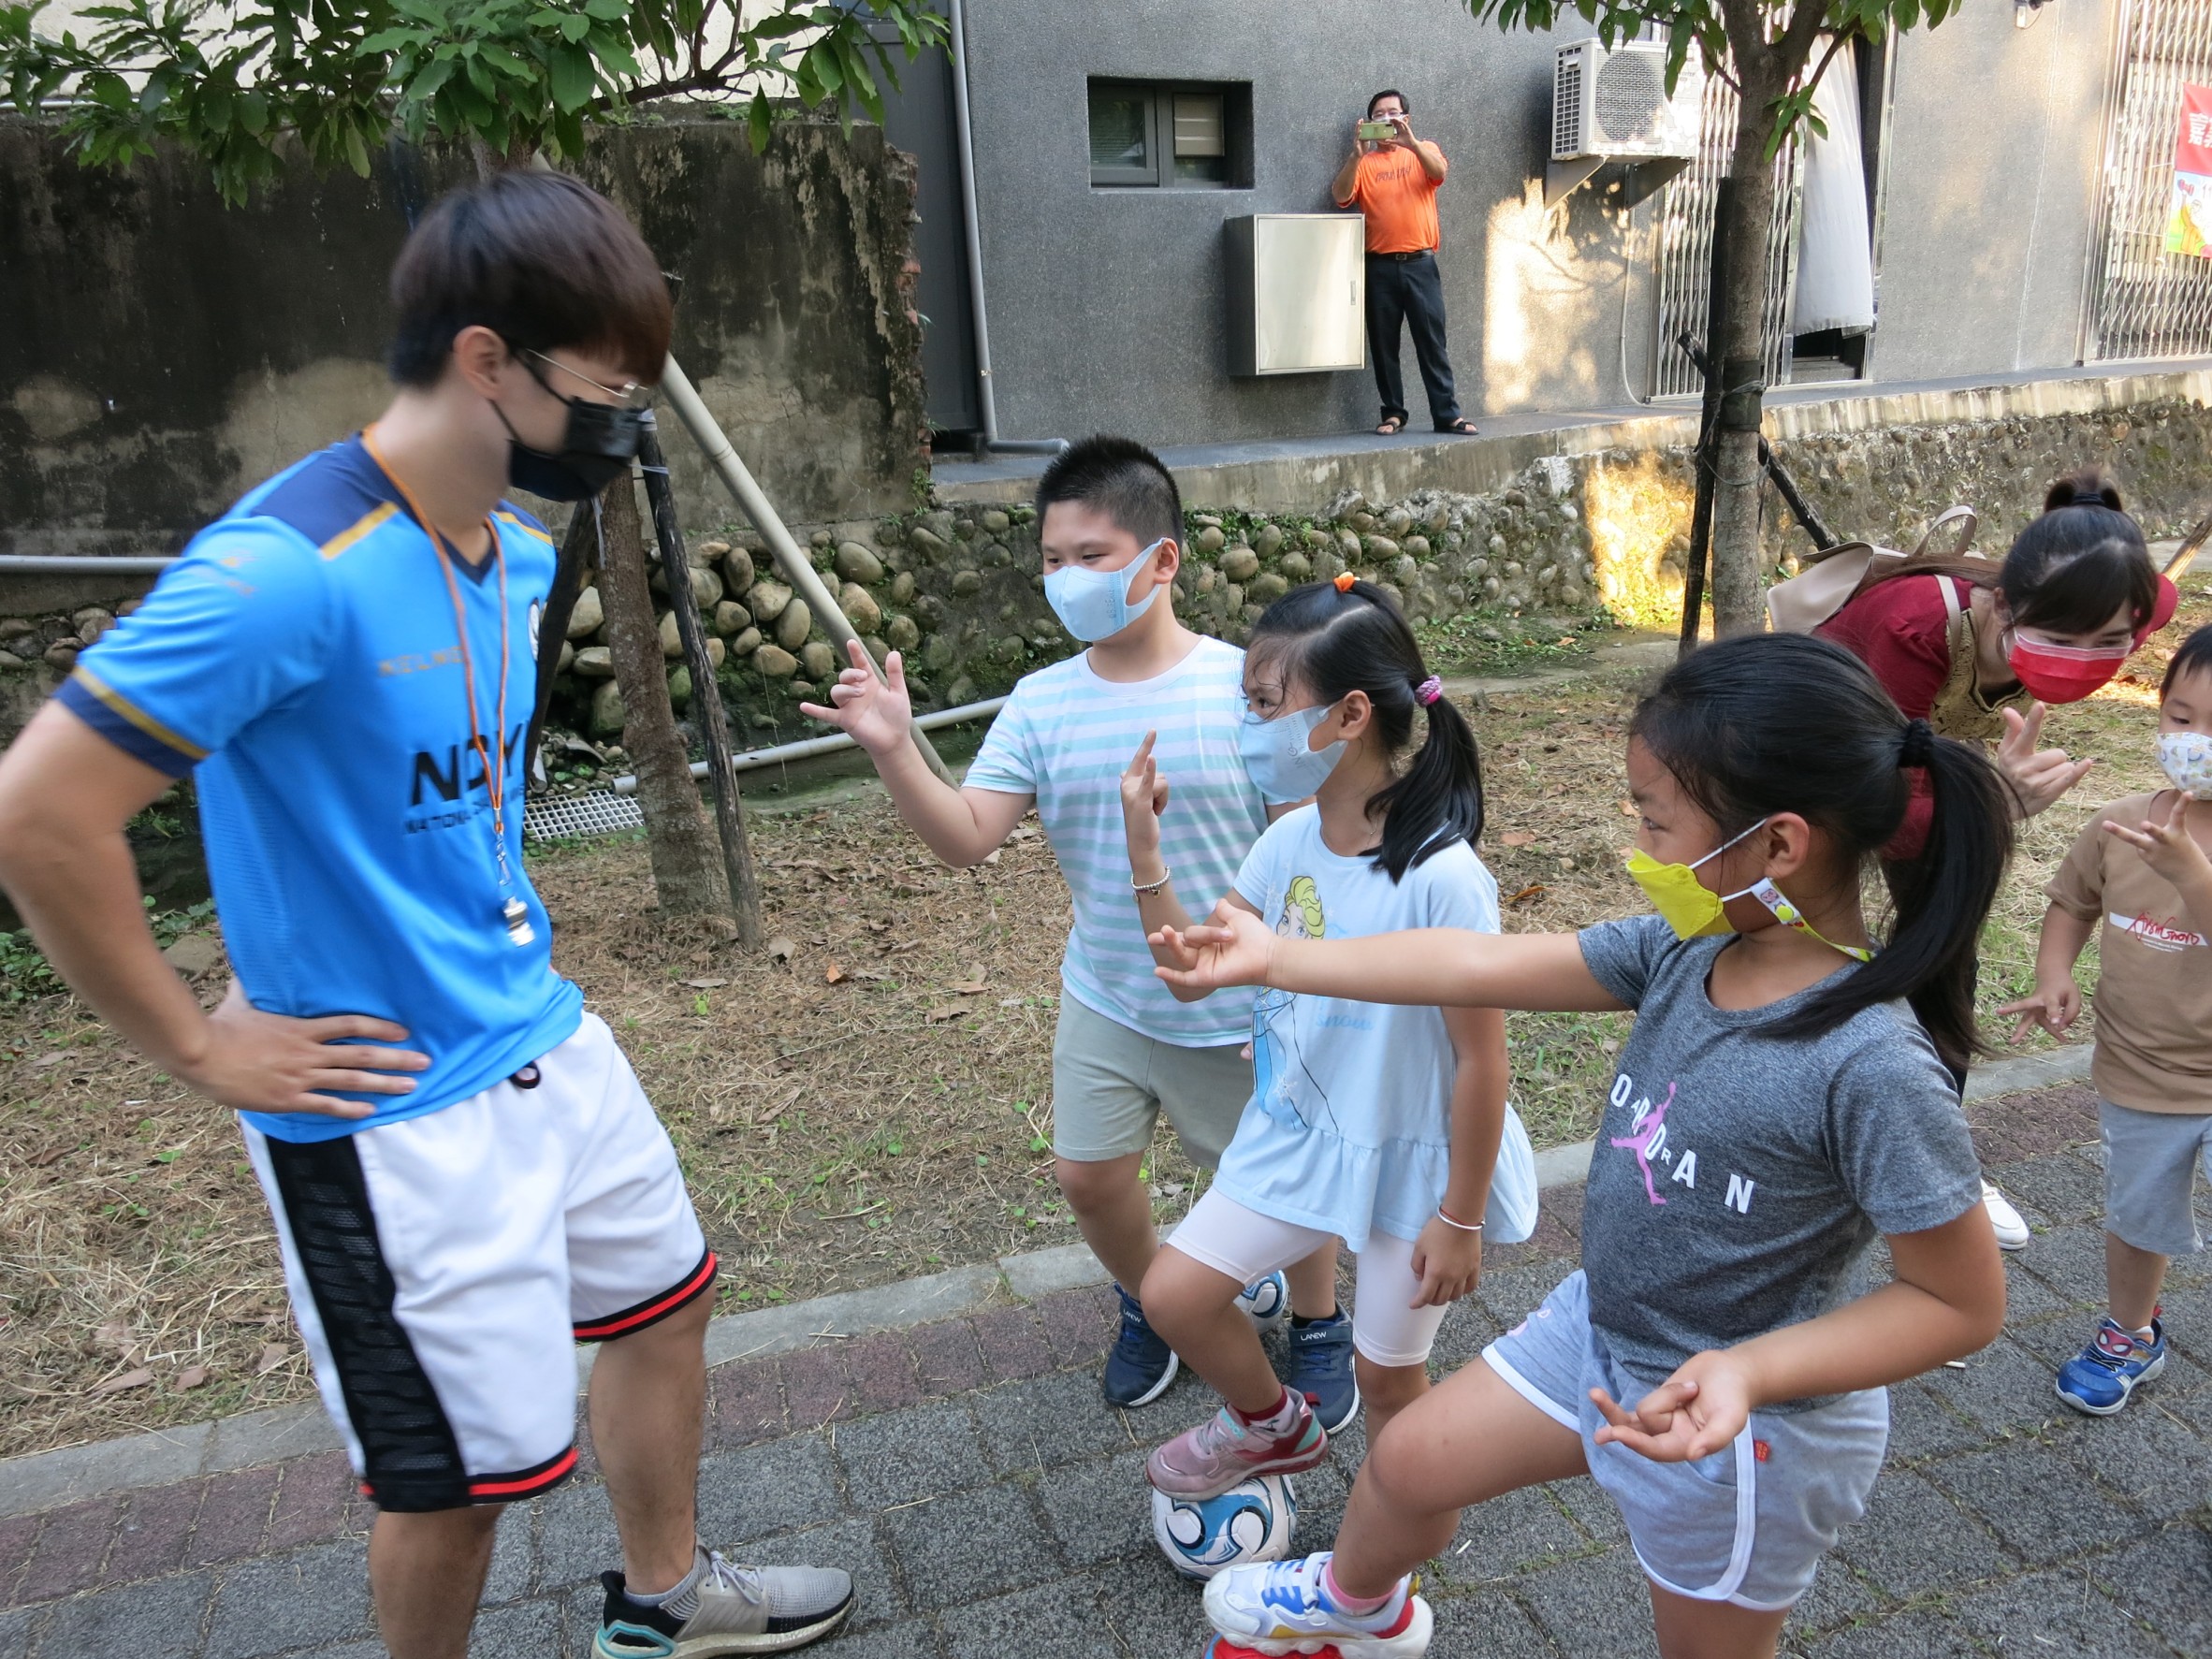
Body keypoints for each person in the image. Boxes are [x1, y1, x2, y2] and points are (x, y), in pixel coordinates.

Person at [0, 173, 855, 1659]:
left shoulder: (513, 555)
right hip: (388, 1112)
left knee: (665, 1307)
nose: (625, 428)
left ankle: (665, 1606)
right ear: (485, 362)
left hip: (546, 1038)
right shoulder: (284, 573)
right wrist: (199, 1046)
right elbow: (38, 813)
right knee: (459, 1487)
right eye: (605, 395)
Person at [1157, 633, 2011, 1659]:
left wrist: (1750, 1374)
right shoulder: (1686, 949)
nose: (1642, 846)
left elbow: (1960, 1302)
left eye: (1657, 820)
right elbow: (1474, 963)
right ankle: (1360, 1605)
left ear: (1780, 846)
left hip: (1745, 1429)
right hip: (1600, 1335)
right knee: (1412, 1458)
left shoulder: (1870, 1064)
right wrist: (1280, 954)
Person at [799, 436, 1349, 1419]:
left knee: (1280, 1193)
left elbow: (1298, 849)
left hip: (1238, 1008)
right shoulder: (1041, 703)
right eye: (1052, 560)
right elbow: (968, 838)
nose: (1067, 579)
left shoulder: (1245, 691)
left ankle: (1320, 1324)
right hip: (1106, 995)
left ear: (1163, 560)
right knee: (1089, 1180)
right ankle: (1155, 1302)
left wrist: (1280, 970)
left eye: (1093, 557)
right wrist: (892, 749)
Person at [1126, 575, 1538, 1498]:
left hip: (1410, 1164)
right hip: (1300, 1132)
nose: (1248, 728)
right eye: (1247, 705)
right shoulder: (1285, 845)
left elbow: (1482, 1059)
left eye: (1266, 705)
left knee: (1388, 1383)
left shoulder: (1444, 877)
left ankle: (1385, 1560)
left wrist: (1461, 1218)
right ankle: (1272, 1428)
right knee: (1174, 1295)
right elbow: (1197, 973)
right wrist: (1146, 857)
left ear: (1351, 715)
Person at [1816, 467, 2177, 1252]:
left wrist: (1974, 808)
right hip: (1822, 756)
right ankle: (1811, 1149)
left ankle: (1938, 1165)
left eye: (2110, 641)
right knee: (1812, 941)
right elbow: (1884, 818)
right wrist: (1995, 804)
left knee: (1949, 939)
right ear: (2003, 606)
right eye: (2059, 638)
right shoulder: (1915, 630)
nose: (2087, 658)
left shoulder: (2142, 599)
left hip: (1929, 754)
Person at [2000, 624, 2212, 1416]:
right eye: (2183, 717)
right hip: (2139, 1073)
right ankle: (2131, 1332)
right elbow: (2071, 901)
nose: (2197, 740)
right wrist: (2055, 972)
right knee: (2137, 1214)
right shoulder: (2121, 821)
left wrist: (2192, 871)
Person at [1331, 90, 1477, 439]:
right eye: (1378, 115)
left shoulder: (1424, 150)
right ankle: (1394, 412)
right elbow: (1340, 196)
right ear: (1368, 124)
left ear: (1406, 118)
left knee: (1432, 342)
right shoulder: (1364, 164)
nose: (1386, 119)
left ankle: (1447, 415)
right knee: (1384, 346)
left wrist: (1411, 144)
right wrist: (1355, 155)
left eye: (1392, 112)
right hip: (1379, 266)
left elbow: (1439, 172)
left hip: (1421, 264)